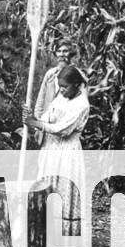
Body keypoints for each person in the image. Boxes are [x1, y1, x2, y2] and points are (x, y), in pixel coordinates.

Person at [23, 65, 89, 237]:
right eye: (60, 86)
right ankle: (45, 236)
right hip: (50, 150)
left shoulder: (82, 105)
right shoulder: (61, 96)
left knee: (63, 192)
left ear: (76, 84)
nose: (61, 89)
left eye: (65, 87)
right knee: (46, 187)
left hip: (67, 153)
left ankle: (65, 243)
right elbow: (49, 117)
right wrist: (34, 119)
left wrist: (36, 124)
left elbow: (62, 129)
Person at [33, 39, 77, 146]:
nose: (62, 55)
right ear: (55, 54)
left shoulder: (76, 75)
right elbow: (41, 102)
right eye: (59, 51)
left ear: (71, 53)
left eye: (65, 51)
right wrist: (37, 126)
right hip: (48, 128)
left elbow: (79, 105)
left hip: (65, 129)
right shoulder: (50, 75)